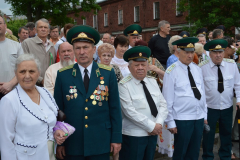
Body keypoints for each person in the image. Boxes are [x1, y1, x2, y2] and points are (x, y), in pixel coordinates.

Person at [54, 25, 122, 160]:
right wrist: (59, 143)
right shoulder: (63, 75)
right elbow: (58, 110)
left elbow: (115, 109)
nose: (82, 52)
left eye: (85, 47)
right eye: (78, 48)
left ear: (94, 50)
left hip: (100, 141)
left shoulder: (108, 74)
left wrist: (116, 138)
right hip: (73, 143)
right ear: (73, 51)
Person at [0, 54, 67, 160]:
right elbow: (5, 141)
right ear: (16, 74)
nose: (27, 76)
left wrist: (56, 131)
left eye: (32, 71)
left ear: (39, 73)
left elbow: (50, 120)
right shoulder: (9, 101)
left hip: (50, 155)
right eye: (22, 72)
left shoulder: (45, 93)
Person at [118, 46, 168, 160]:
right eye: (136, 65)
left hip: (153, 134)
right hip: (134, 136)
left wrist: (158, 124)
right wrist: (151, 127)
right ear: (129, 67)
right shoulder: (123, 85)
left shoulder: (152, 81)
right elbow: (129, 111)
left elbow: (163, 105)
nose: (140, 68)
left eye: (143, 65)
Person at [163, 37, 208, 160]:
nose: (189, 55)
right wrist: (170, 121)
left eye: (191, 52)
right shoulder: (171, 71)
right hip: (182, 118)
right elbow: (167, 99)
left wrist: (205, 115)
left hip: (198, 117)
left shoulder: (197, 69)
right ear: (179, 52)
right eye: (186, 52)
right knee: (180, 152)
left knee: (194, 152)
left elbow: (202, 93)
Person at [200, 39, 240, 160]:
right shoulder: (202, 68)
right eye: (215, 52)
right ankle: (207, 156)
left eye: (220, 52)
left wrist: (239, 99)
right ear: (210, 54)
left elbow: (238, 84)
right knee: (208, 135)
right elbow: (200, 89)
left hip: (227, 106)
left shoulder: (231, 65)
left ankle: (226, 156)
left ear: (224, 52)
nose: (218, 55)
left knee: (226, 133)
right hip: (210, 107)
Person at [22, 18, 56, 87]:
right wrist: (40, 80)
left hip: (49, 85)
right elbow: (24, 65)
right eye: (40, 27)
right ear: (35, 29)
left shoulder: (52, 46)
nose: (43, 29)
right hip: (33, 84)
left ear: (49, 31)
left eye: (45, 27)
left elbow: (54, 65)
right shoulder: (27, 43)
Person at [0, 15, 23, 100]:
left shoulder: (16, 46)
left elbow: (22, 68)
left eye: (0, 23)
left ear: (5, 26)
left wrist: (11, 84)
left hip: (12, 91)